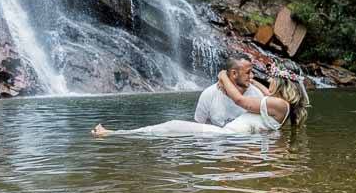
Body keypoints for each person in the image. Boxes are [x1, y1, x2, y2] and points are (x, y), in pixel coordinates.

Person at [91, 63, 310, 136]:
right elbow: (266, 94)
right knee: (172, 131)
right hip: (229, 137)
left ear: (280, 85)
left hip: (226, 136)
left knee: (171, 125)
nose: (267, 83)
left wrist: (223, 76)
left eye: (272, 80)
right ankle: (117, 133)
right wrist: (252, 82)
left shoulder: (278, 104)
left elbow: (242, 102)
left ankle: (114, 134)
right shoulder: (280, 105)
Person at [194, 54, 264, 127]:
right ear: (234, 73)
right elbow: (199, 127)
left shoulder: (257, 94)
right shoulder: (209, 94)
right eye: (248, 72)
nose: (252, 76)